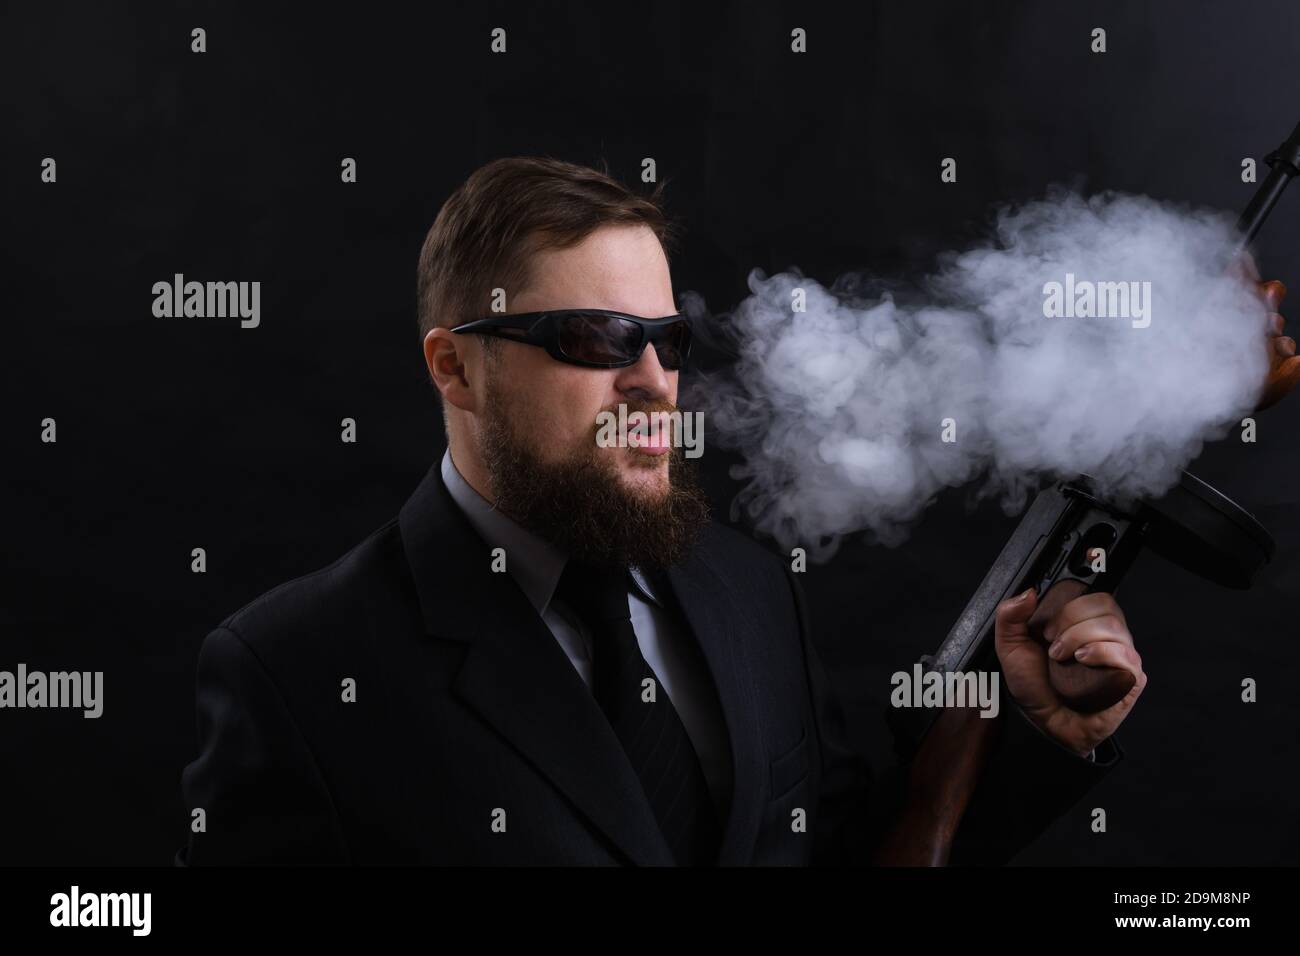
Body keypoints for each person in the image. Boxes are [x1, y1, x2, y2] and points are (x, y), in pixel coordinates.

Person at [177, 157, 1295, 865]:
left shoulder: (743, 587)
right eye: (594, 339)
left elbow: (849, 847)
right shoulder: (296, 670)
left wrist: (1031, 731)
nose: (654, 381)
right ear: (455, 370)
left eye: (665, 340)